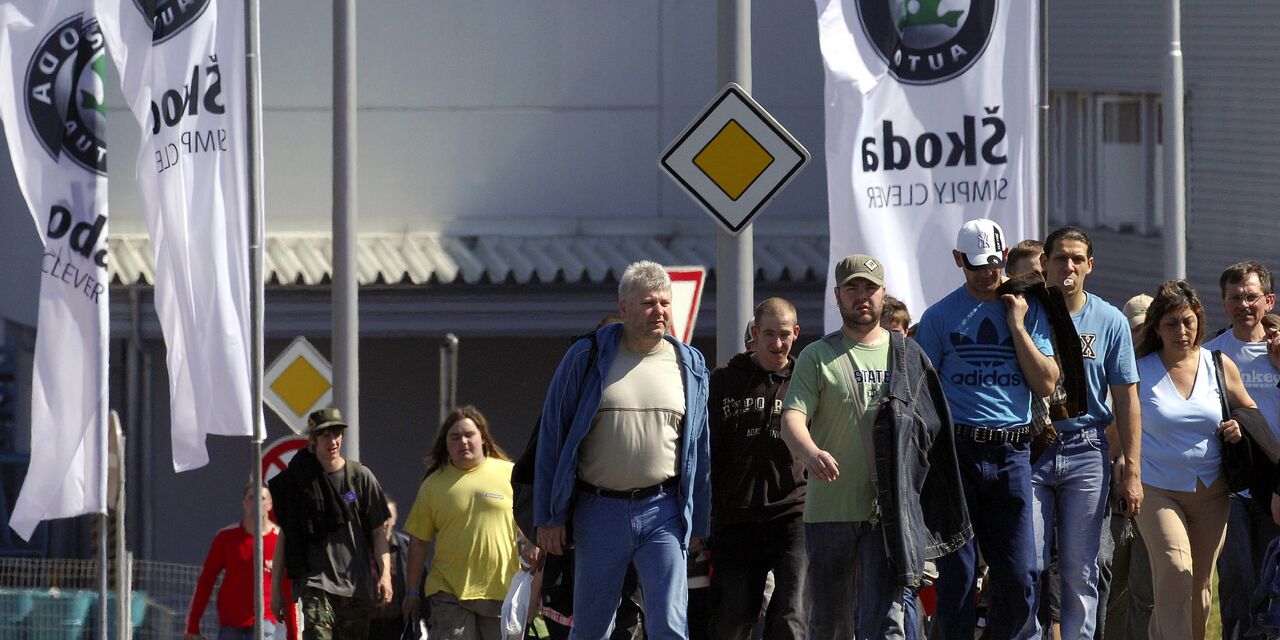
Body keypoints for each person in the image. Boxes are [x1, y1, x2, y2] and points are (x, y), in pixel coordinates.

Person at [780, 253, 970, 639]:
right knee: (829, 623)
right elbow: (791, 420)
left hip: (891, 512)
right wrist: (811, 451)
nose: (861, 296)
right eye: (853, 288)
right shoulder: (817, 355)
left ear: (883, 294)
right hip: (830, 510)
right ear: (838, 295)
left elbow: (932, 434)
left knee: (885, 621)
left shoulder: (908, 355)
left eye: (870, 288)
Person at [534, 260, 711, 640]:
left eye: (665, 302)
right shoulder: (586, 357)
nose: (659, 311)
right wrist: (549, 515)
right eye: (648, 303)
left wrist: (701, 518)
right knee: (592, 629)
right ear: (625, 308)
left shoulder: (690, 364)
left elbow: (700, 448)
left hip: (664, 511)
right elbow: (553, 435)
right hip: (599, 512)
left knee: (668, 624)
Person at [914, 218, 1059, 640]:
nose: (987, 273)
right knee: (956, 579)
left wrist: (1016, 324)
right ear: (958, 260)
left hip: (1012, 452)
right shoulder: (939, 316)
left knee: (1020, 574)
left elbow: (1047, 382)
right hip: (957, 454)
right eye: (976, 265)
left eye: (994, 263)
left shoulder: (1028, 310)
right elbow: (923, 392)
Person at [1023, 227, 1141, 640]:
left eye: (1077, 258)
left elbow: (1127, 396)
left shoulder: (1109, 320)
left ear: (1090, 265)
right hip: (1032, 446)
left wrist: (1132, 469)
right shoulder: (1026, 312)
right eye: (1060, 258)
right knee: (1029, 564)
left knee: (1081, 568)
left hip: (1087, 447)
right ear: (1045, 264)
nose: (1068, 266)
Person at [1133, 280, 1255, 640]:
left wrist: (1238, 427)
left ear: (1199, 320)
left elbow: (1250, 413)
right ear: (1156, 327)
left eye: (1188, 321)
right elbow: (1118, 431)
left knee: (1199, 584)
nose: (1182, 331)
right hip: (1156, 489)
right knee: (1175, 568)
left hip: (1211, 490)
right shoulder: (1140, 369)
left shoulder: (1219, 364)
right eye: (1171, 324)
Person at [708, 297, 807, 640]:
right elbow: (707, 450)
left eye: (784, 335)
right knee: (732, 618)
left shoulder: (807, 379)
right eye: (768, 334)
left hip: (793, 511)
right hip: (737, 515)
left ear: (796, 333)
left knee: (792, 613)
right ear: (754, 332)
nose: (776, 344)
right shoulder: (722, 381)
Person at [402, 406, 531, 639]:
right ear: (446, 444)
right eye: (455, 437)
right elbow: (419, 542)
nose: (463, 441)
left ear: (482, 438)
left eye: (469, 435)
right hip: (449, 593)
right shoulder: (433, 485)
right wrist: (411, 592)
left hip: (501, 589)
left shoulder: (510, 474)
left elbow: (531, 525)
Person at [269, 408, 393, 640]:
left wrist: (385, 576)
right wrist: (276, 591)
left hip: (356, 585)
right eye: (326, 435)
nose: (333, 440)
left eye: (337, 434)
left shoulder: (360, 477)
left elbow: (378, 533)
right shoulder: (299, 481)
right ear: (313, 440)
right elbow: (286, 537)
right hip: (316, 582)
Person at [1206, 262, 1280, 639]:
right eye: (1235, 298)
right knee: (1235, 585)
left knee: (1274, 588)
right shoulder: (1211, 354)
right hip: (1233, 485)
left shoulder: (1279, 350)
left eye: (1251, 297)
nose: (1244, 305)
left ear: (1268, 300)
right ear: (1224, 303)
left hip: (1277, 486)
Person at [1101, 294, 1155, 639]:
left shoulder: (1170, 369)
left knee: (1147, 595)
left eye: (1150, 329)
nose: (1145, 337)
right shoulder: (1110, 375)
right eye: (1137, 329)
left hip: (1159, 495)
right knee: (1113, 590)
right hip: (1115, 499)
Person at [186, 484, 298, 640]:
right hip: (231, 622)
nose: (257, 503)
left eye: (262, 498)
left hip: (265, 620)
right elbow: (206, 580)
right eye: (251, 498)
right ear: (244, 503)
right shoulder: (226, 538)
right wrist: (193, 624)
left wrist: (293, 634)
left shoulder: (280, 540)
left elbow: (288, 589)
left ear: (270, 504)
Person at [369, 499, 417, 640]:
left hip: (397, 624)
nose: (385, 521)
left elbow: (420, 580)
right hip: (367, 624)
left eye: (388, 516)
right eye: (381, 516)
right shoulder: (361, 547)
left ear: (395, 519)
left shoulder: (406, 548)